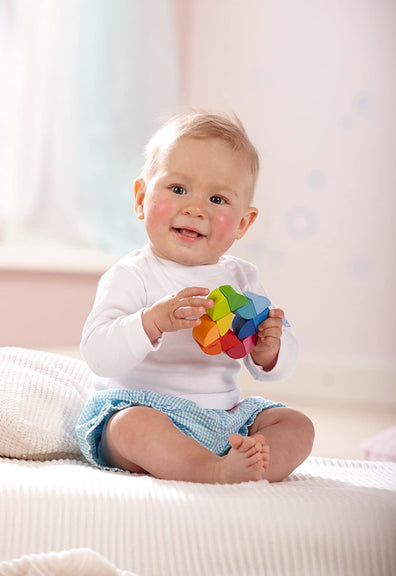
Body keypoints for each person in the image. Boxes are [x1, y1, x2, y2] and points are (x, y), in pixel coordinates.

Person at [76, 111, 314, 484]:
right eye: (178, 189)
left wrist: (269, 351)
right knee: (131, 427)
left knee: (297, 426)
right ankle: (214, 472)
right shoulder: (132, 275)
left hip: (224, 418)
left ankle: (246, 465)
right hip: (144, 409)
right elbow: (97, 354)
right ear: (141, 198)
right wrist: (151, 322)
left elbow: (273, 367)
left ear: (242, 224)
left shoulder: (241, 278)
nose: (195, 208)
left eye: (217, 198)